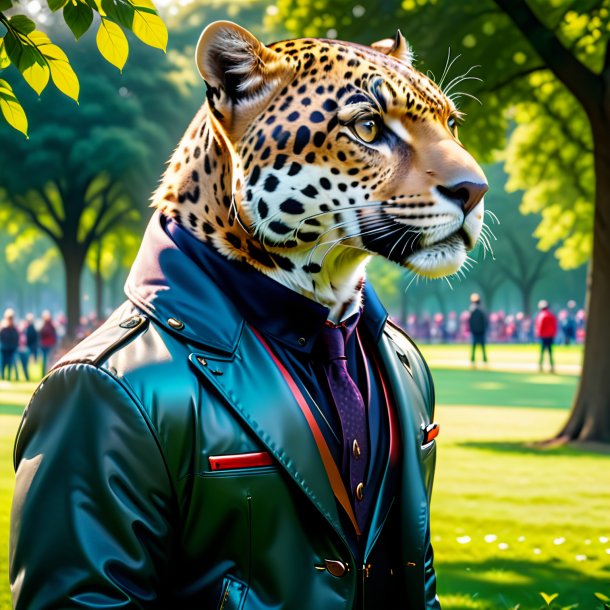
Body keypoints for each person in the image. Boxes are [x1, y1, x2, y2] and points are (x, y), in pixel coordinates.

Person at [9, 22, 489, 610]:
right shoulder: (106, 390)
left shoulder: (402, 366)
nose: (466, 177)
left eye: (445, 127)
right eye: (369, 128)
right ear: (237, 101)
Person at [535, 300, 558, 373]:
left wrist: (538, 334)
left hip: (544, 336)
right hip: (550, 336)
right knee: (550, 352)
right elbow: (555, 326)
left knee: (542, 352)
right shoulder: (551, 314)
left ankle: (540, 366)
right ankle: (552, 367)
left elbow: (540, 326)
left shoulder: (541, 315)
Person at [468, 293, 488, 364]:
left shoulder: (478, 309)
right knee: (475, 346)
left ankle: (484, 359)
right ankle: (474, 359)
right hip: (476, 331)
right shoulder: (473, 310)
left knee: (481, 346)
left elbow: (484, 321)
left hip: (479, 331)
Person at [0, 308, 20, 380]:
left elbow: (17, 338)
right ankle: (3, 376)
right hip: (4, 349)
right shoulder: (3, 328)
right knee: (3, 364)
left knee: (11, 364)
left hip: (12, 349)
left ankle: (9, 376)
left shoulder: (14, 328)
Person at [38, 310, 57, 374]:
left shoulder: (48, 325)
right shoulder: (45, 325)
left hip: (48, 345)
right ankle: (45, 372)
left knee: (47, 360)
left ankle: (47, 372)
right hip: (45, 345)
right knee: (46, 360)